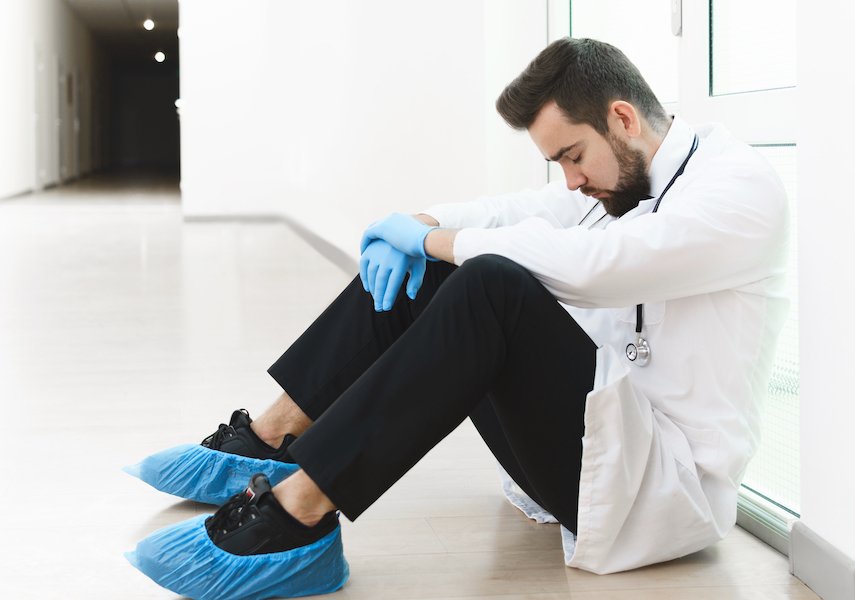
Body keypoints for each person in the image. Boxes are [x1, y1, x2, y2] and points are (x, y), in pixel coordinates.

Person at [125, 37, 788, 599]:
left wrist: (433, 242)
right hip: (588, 451)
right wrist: (421, 226)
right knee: (443, 264)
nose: (570, 182)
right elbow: (515, 214)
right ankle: (271, 440)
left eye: (573, 157)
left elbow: (596, 266)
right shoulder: (621, 180)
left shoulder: (739, 192)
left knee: (490, 282)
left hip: (657, 492)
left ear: (622, 118)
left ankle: (298, 516)